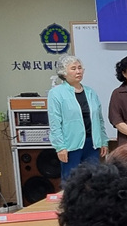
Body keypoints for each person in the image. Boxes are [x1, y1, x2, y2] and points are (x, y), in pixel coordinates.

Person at [47, 55, 109, 183]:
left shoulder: (91, 92)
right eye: (73, 68)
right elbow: (55, 123)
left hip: (92, 143)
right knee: (71, 182)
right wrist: (60, 147)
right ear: (64, 72)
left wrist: (103, 141)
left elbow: (99, 120)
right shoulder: (56, 93)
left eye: (80, 68)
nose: (78, 71)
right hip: (70, 145)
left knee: (93, 181)